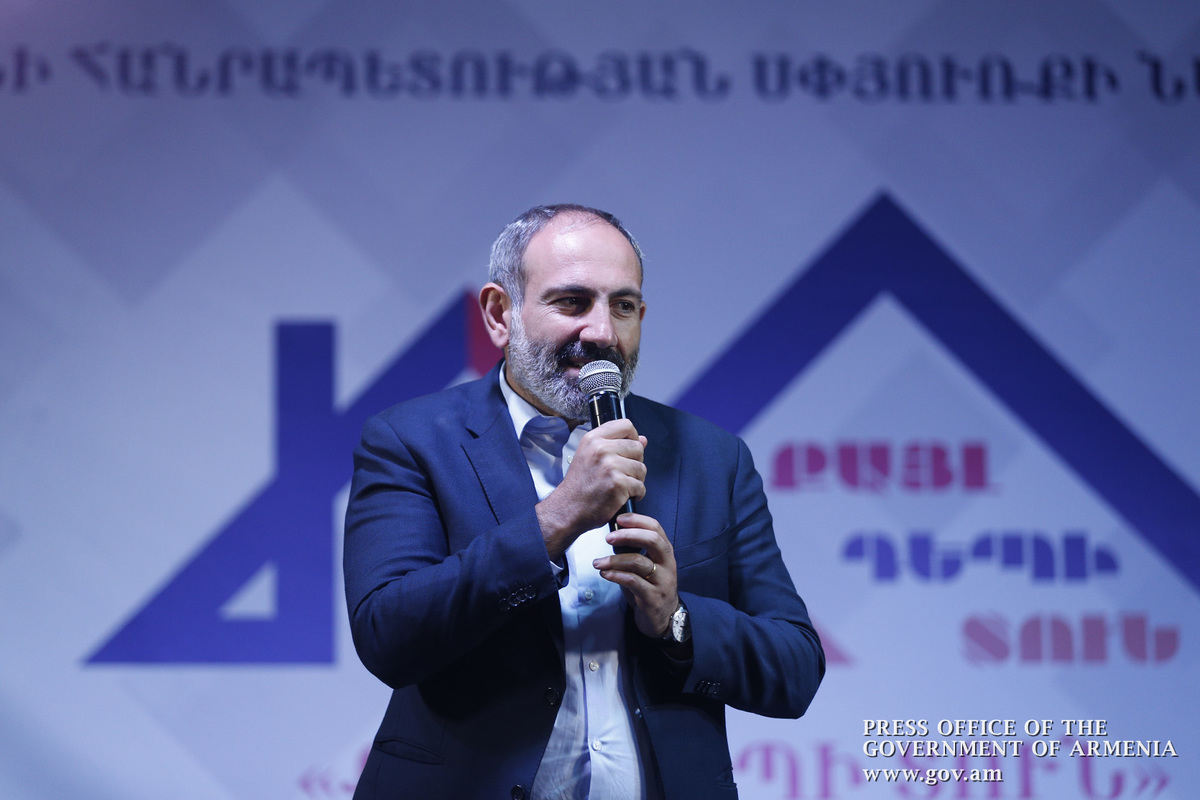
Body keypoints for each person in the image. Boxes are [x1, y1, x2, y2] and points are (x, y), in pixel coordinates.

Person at [343, 204, 824, 799]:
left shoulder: (712, 457)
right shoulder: (410, 439)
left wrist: (675, 621)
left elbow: (795, 669)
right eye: (572, 302)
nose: (601, 333)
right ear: (500, 314)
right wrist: (557, 517)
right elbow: (388, 634)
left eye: (622, 306)